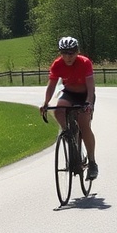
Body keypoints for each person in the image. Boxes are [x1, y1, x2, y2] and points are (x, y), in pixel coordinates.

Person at [40, 36, 98, 180]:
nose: (68, 57)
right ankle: (69, 134)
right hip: (69, 93)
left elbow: (91, 87)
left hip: (84, 95)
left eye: (71, 53)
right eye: (64, 53)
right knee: (58, 110)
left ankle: (92, 162)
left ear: (77, 52)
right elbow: (52, 85)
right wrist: (46, 103)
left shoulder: (85, 63)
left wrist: (89, 103)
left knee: (84, 126)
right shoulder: (57, 64)